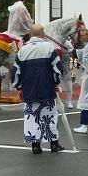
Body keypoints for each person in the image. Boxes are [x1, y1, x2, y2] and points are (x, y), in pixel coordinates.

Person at [11, 24, 64, 154]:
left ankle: (36, 145)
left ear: (30, 34)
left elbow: (16, 72)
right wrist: (56, 82)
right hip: (47, 88)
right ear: (42, 34)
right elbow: (58, 69)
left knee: (32, 117)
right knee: (50, 116)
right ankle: (54, 144)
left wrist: (19, 86)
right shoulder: (49, 48)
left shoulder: (22, 50)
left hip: (29, 89)